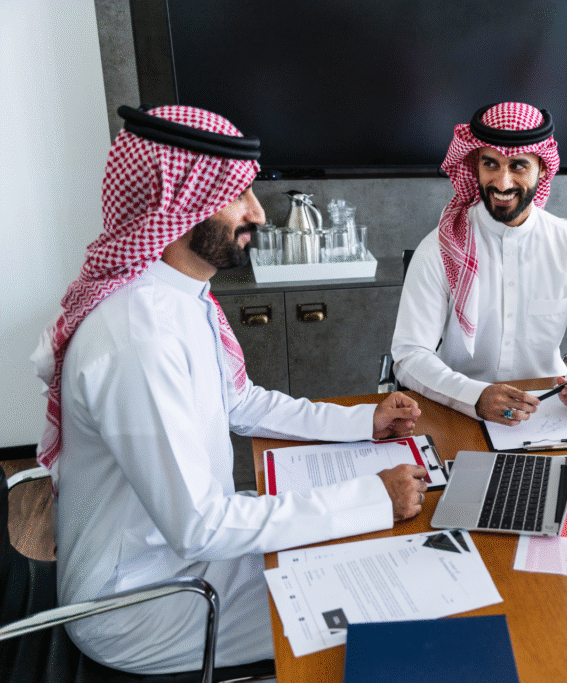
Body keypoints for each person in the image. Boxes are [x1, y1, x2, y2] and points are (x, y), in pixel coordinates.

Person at [30, 105, 428, 675]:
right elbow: (201, 526)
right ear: (178, 203)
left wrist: (362, 421)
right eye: (236, 194)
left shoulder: (176, 295)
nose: (258, 213)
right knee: (377, 604)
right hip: (142, 601)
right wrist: (373, 498)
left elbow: (238, 401)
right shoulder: (138, 338)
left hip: (185, 555)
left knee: (358, 552)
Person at [391, 102, 567, 424]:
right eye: (491, 164)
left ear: (541, 168)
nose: (502, 183)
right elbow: (409, 355)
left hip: (548, 412)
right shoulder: (439, 249)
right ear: (475, 165)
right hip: (460, 411)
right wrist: (474, 396)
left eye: (518, 166)